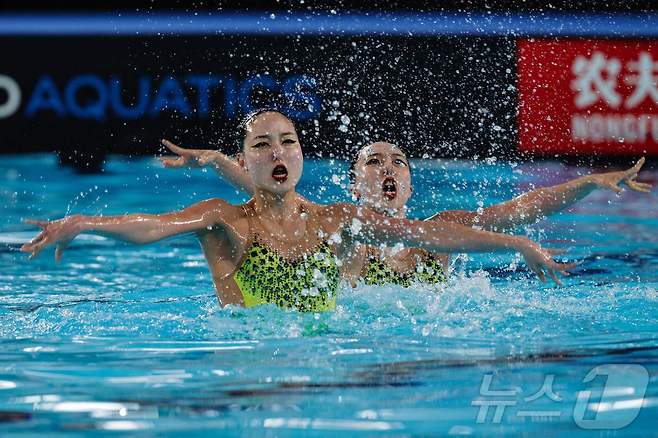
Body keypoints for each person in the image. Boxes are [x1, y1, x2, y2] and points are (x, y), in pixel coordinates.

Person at [21, 110, 572, 312]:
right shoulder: (225, 218)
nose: (277, 152)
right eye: (262, 145)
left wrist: (517, 244)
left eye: (288, 142)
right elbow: (155, 227)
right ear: (247, 160)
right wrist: (86, 222)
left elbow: (431, 234)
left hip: (327, 364)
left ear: (304, 156)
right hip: (249, 363)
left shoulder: (333, 220)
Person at [157, 135, 649, 287]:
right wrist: (221, 162)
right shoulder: (337, 225)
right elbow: (266, 187)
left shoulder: (442, 230)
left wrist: (589, 182)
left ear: (410, 183)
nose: (387, 169)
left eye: (399, 163)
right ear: (355, 181)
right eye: (373, 162)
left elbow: (518, 211)